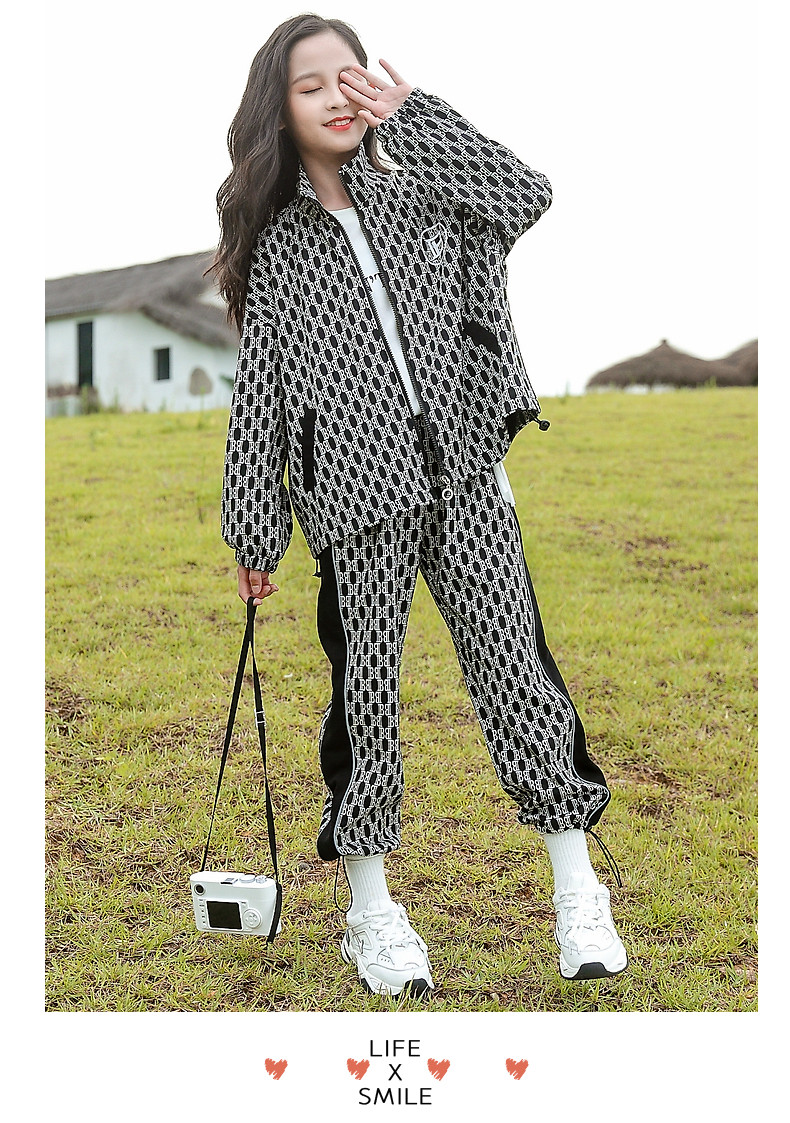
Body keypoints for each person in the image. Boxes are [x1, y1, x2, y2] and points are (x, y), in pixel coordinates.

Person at [212, 13, 627, 997]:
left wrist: (417, 116)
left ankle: (578, 889)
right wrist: (255, 525)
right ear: (277, 109)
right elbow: (259, 392)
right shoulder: (275, 248)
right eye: (311, 84)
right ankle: (372, 908)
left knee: (518, 676)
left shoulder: (422, 193)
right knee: (363, 704)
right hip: (354, 500)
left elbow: (523, 195)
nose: (336, 95)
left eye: (349, 76)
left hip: (469, 479)